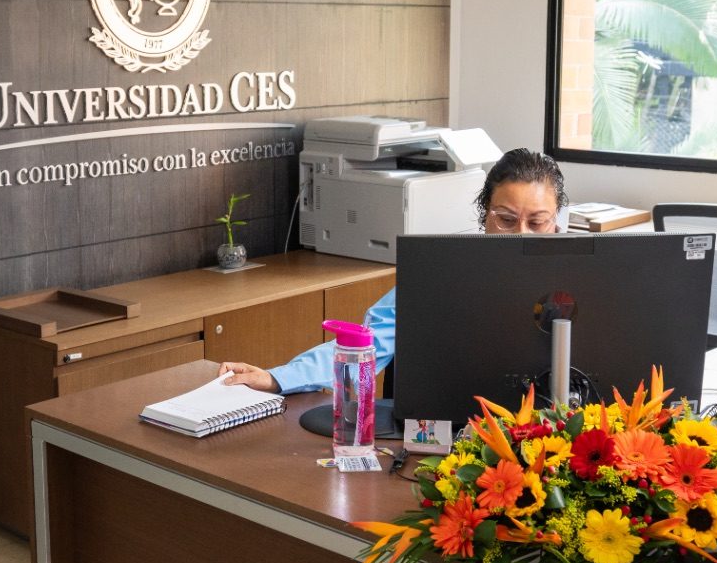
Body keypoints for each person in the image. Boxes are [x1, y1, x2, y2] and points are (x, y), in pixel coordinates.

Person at [219, 148, 568, 393]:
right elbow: (367, 343)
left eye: (537, 222)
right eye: (506, 219)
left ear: (556, 223)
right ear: (484, 216)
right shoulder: (441, 273)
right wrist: (277, 378)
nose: (520, 234)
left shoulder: (580, 277)